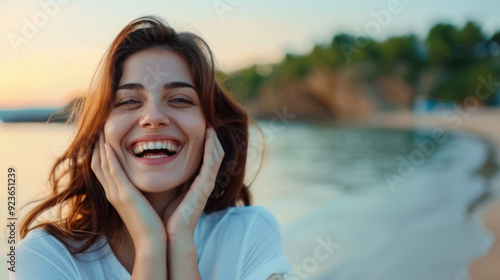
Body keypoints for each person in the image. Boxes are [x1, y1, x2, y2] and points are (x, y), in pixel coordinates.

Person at [12, 15, 295, 280]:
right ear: (100, 133)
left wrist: (181, 244)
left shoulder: (249, 234)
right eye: (128, 101)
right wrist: (150, 246)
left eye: (180, 100)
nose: (154, 117)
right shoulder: (46, 257)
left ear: (212, 128)